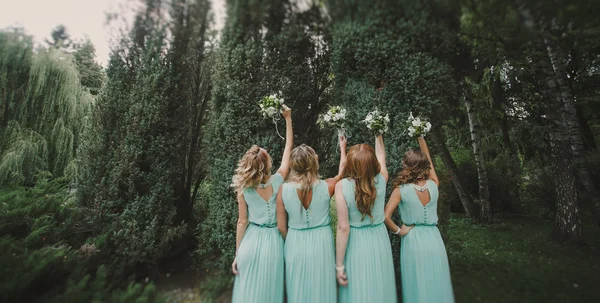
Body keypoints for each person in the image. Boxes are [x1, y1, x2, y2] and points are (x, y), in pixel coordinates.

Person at [230, 106, 292, 303]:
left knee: (249, 293)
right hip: (274, 242)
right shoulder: (279, 180)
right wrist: (288, 120)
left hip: (251, 241)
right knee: (269, 292)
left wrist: (238, 255)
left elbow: (242, 222)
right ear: (266, 164)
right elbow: (288, 150)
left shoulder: (244, 188)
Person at [384, 136, 455, 303]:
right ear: (425, 167)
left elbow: (384, 216)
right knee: (436, 282)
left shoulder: (400, 190)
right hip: (434, 239)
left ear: (407, 167)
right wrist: (421, 137)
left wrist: (399, 231)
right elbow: (428, 161)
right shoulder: (433, 184)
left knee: (417, 284)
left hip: (413, 239)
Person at [276, 137, 347, 303]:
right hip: (322, 242)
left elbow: (281, 227)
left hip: (294, 242)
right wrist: (343, 149)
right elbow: (342, 172)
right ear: (314, 162)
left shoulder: (282, 190)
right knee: (322, 290)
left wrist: (292, 238)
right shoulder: (328, 185)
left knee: (298, 291)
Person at [335, 134, 397, 302]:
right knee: (379, 287)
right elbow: (382, 156)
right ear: (373, 164)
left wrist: (339, 265)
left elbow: (343, 228)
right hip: (379, 238)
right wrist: (378, 133)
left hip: (356, 243)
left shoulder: (341, 186)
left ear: (350, 163)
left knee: (358, 288)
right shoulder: (382, 179)